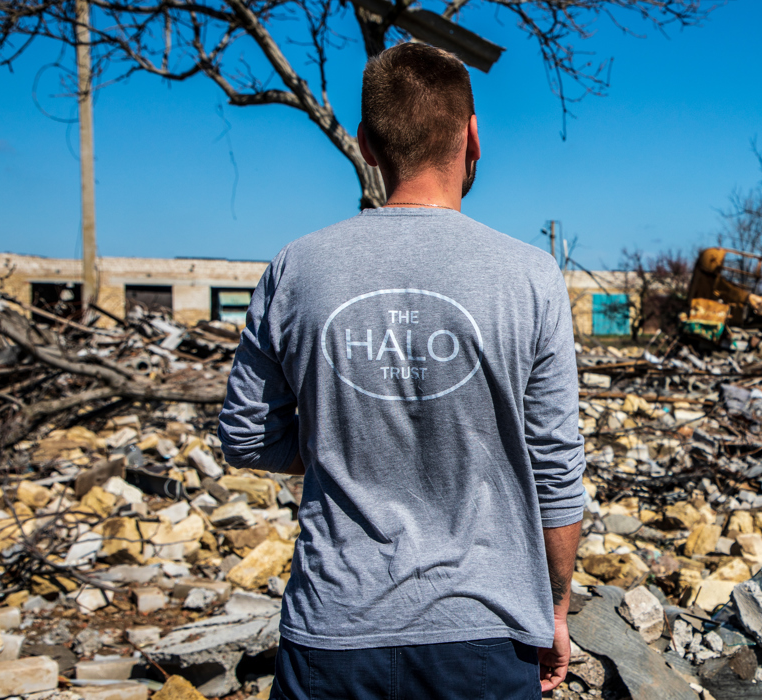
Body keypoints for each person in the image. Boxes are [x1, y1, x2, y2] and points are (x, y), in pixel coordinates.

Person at [218, 41, 586, 700]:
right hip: (487, 631)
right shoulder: (531, 276)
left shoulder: (295, 268)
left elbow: (245, 435)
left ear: (364, 142)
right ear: (473, 137)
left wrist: (345, 444)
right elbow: (555, 465)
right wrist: (555, 612)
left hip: (331, 633)